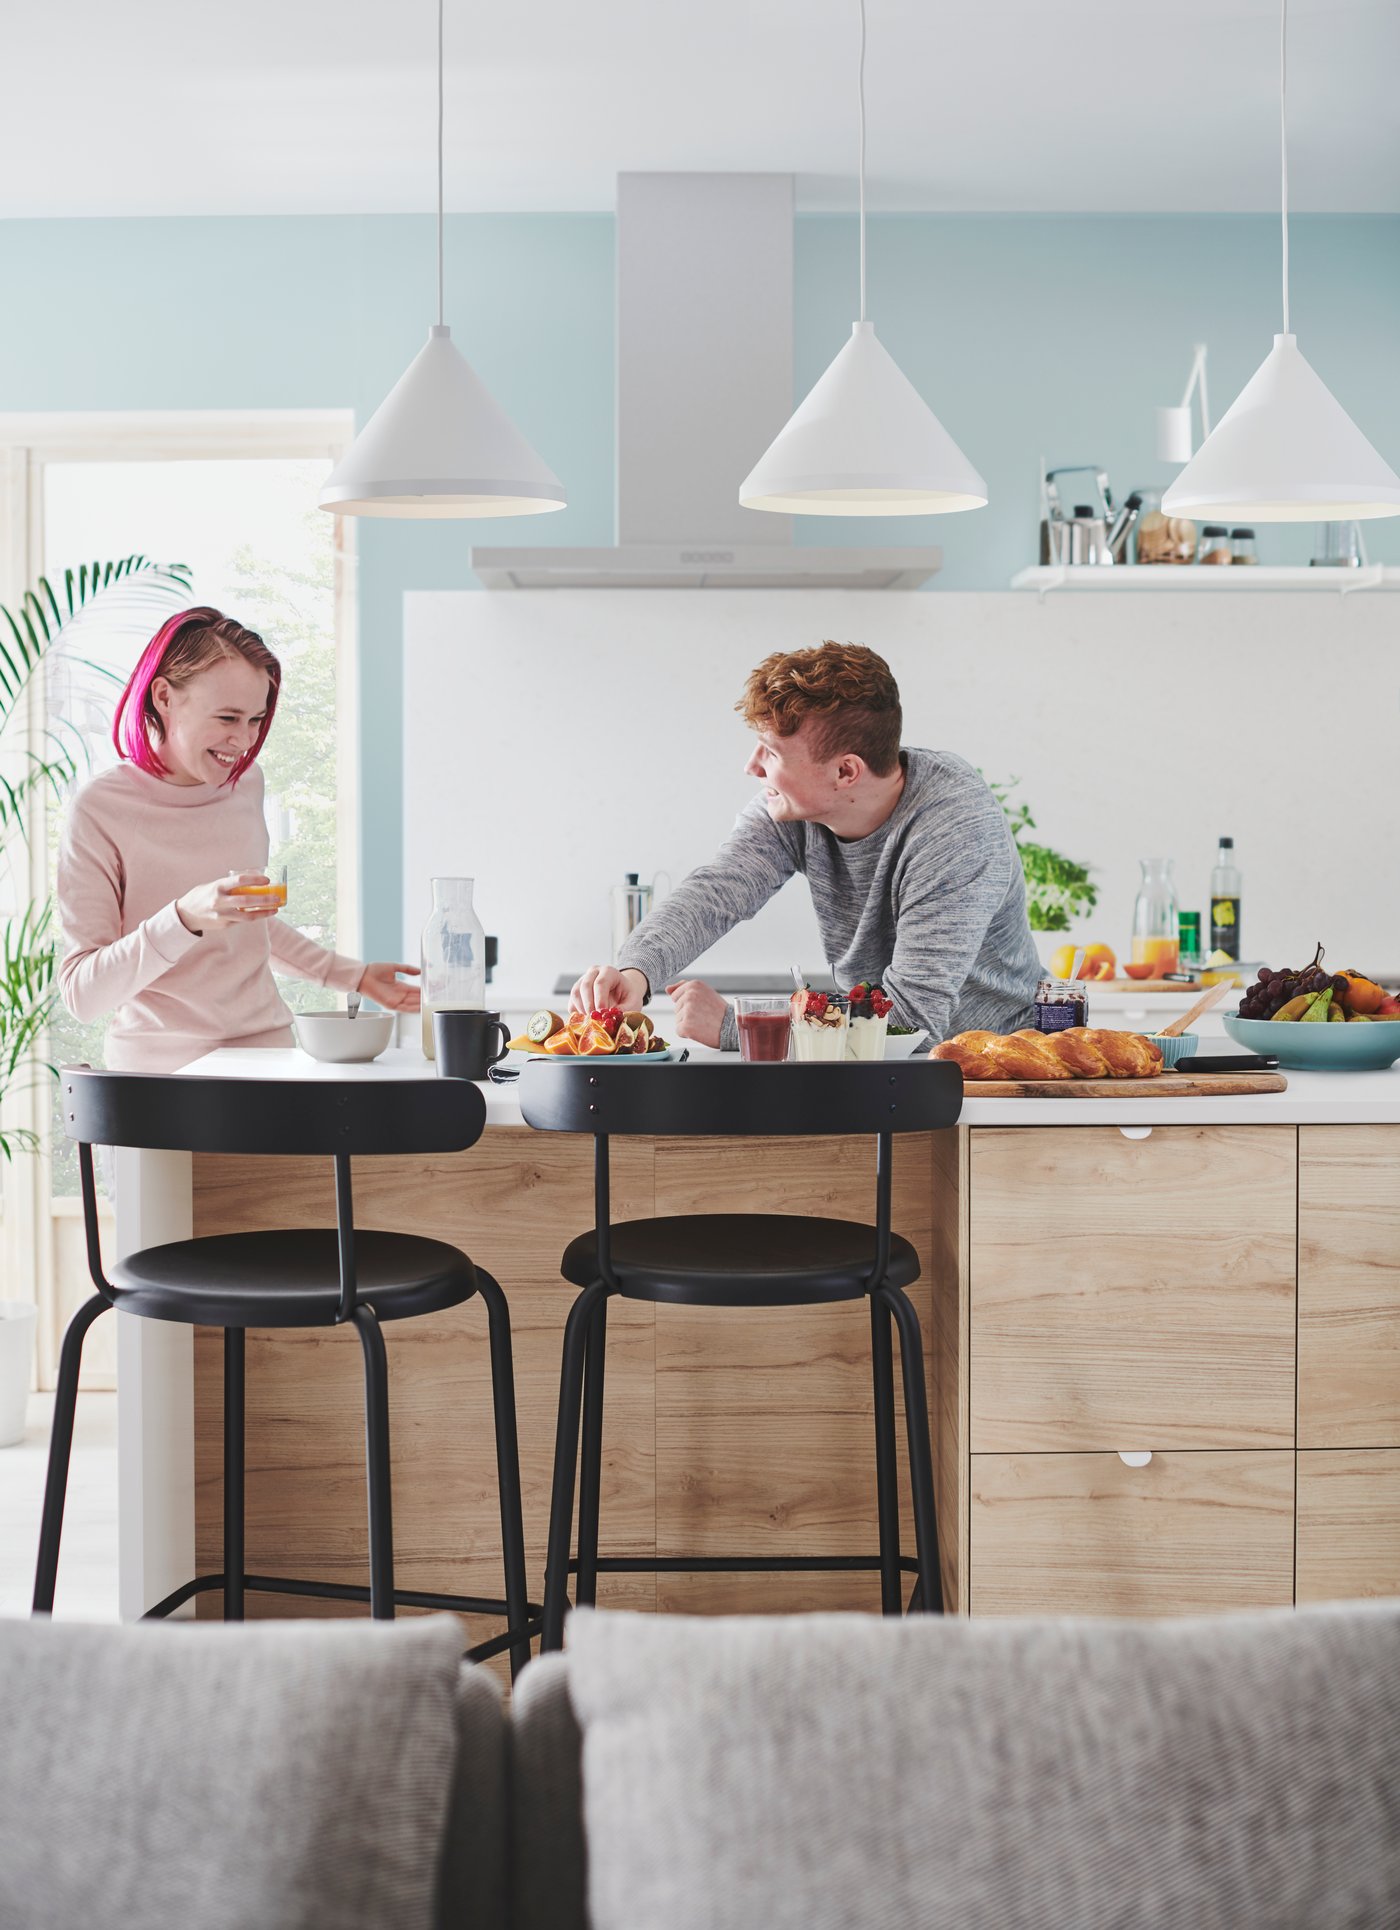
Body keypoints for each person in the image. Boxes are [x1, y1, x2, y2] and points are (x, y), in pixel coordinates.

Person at [571, 640, 1040, 1051]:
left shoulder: (952, 828)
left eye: (772, 753)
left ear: (845, 772)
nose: (753, 767)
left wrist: (744, 1028)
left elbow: (912, 1025)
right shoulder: (796, 808)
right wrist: (636, 972)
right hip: (876, 1062)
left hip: (995, 1067)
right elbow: (716, 892)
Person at [57, 606, 418, 1071]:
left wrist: (356, 976)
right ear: (164, 696)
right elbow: (83, 994)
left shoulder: (246, 785)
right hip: (158, 1075)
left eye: (255, 719)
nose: (244, 741)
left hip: (266, 1059)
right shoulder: (101, 808)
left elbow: (250, 921)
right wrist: (185, 918)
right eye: (227, 718)